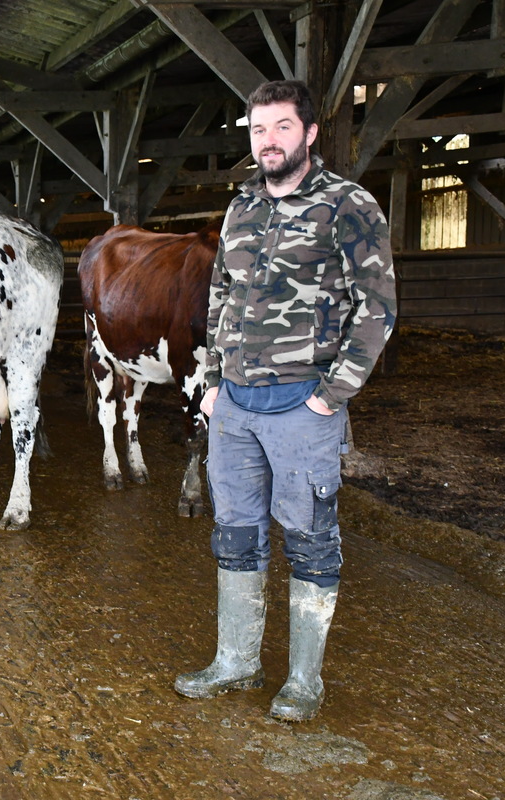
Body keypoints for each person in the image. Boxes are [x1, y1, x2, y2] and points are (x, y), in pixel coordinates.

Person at [173, 79, 397, 722]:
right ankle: (237, 662)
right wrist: (212, 381)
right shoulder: (242, 205)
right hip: (236, 406)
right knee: (234, 534)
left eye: (281, 127)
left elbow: (376, 307)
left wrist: (334, 395)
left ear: (310, 133)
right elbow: (219, 296)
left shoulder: (346, 205)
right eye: (258, 129)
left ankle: (303, 681)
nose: (268, 141)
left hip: (303, 404)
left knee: (310, 540)